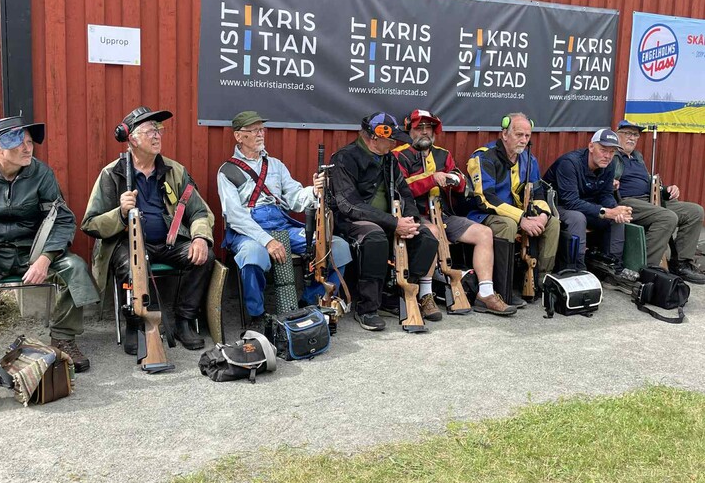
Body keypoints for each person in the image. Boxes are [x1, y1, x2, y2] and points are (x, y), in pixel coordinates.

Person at [0, 114, 99, 388]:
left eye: (30, 142)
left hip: (32, 250)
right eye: (18, 143)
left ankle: (63, 338)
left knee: (75, 267)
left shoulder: (41, 173)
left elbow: (62, 218)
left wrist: (45, 258)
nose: (27, 148)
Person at [82, 106, 215, 350]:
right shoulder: (112, 174)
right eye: (149, 131)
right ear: (132, 139)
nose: (157, 135)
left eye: (158, 130)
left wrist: (199, 237)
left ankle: (184, 320)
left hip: (169, 242)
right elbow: (90, 223)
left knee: (204, 256)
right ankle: (134, 324)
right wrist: (120, 213)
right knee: (129, 265)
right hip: (127, 244)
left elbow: (199, 211)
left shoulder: (175, 170)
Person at [218, 111, 352, 332]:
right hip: (249, 229)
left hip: (281, 223)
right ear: (239, 136)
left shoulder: (275, 165)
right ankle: (257, 316)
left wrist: (313, 191)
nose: (260, 134)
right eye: (254, 130)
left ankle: (312, 303)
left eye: (261, 129)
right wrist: (267, 241)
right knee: (252, 255)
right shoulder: (227, 171)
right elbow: (235, 217)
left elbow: (295, 199)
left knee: (337, 247)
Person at [393, 109, 516, 317]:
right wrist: (432, 179)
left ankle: (485, 294)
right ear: (410, 130)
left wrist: (456, 180)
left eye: (429, 127)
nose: (425, 131)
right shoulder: (399, 155)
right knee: (432, 233)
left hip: (443, 215)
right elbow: (402, 188)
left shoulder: (443, 154)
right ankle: (426, 295)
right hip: (414, 216)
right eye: (419, 127)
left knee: (484, 233)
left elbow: (461, 183)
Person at [329, 111, 439, 331]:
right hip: (351, 221)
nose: (395, 143)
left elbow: (405, 193)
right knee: (376, 238)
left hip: (391, 221)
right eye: (391, 139)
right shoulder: (344, 158)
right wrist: (393, 223)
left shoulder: (389, 159)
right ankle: (367, 308)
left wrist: (410, 221)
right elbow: (349, 205)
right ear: (374, 137)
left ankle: (398, 294)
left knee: (426, 237)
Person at [466, 113, 560, 295]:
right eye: (519, 135)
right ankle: (503, 289)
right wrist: (521, 218)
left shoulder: (529, 159)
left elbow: (538, 192)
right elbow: (486, 198)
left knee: (553, 223)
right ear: (504, 134)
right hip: (484, 214)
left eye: (527, 136)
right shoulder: (483, 157)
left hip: (520, 215)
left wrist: (543, 215)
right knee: (508, 224)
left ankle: (541, 281)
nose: (524, 140)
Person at [613, 120, 705, 284]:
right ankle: (646, 269)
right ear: (617, 134)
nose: (632, 138)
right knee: (667, 217)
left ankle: (681, 264)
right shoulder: (612, 156)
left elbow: (650, 183)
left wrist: (667, 190)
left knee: (695, 211)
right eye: (628, 133)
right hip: (628, 201)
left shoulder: (637, 157)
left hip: (650, 199)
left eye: (635, 135)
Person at [543, 128, 636, 281]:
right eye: (603, 150)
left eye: (612, 152)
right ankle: (577, 269)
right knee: (577, 218)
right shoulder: (569, 163)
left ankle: (613, 268)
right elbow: (570, 201)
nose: (608, 156)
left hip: (586, 205)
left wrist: (615, 209)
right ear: (591, 147)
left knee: (616, 218)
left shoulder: (609, 164)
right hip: (558, 206)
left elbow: (606, 194)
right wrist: (606, 211)